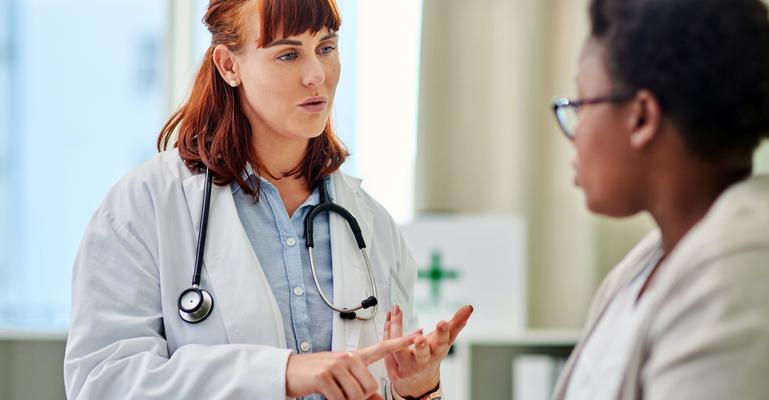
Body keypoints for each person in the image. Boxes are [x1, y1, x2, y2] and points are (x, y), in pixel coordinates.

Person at [64, 0, 471, 399]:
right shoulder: (145, 206)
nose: (317, 76)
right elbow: (102, 382)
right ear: (229, 66)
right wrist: (281, 373)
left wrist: (417, 389)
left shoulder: (371, 223)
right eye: (288, 54)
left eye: (326, 48)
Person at [549, 0, 769, 399]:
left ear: (642, 118)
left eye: (580, 104)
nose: (574, 135)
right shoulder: (645, 265)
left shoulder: (745, 270)